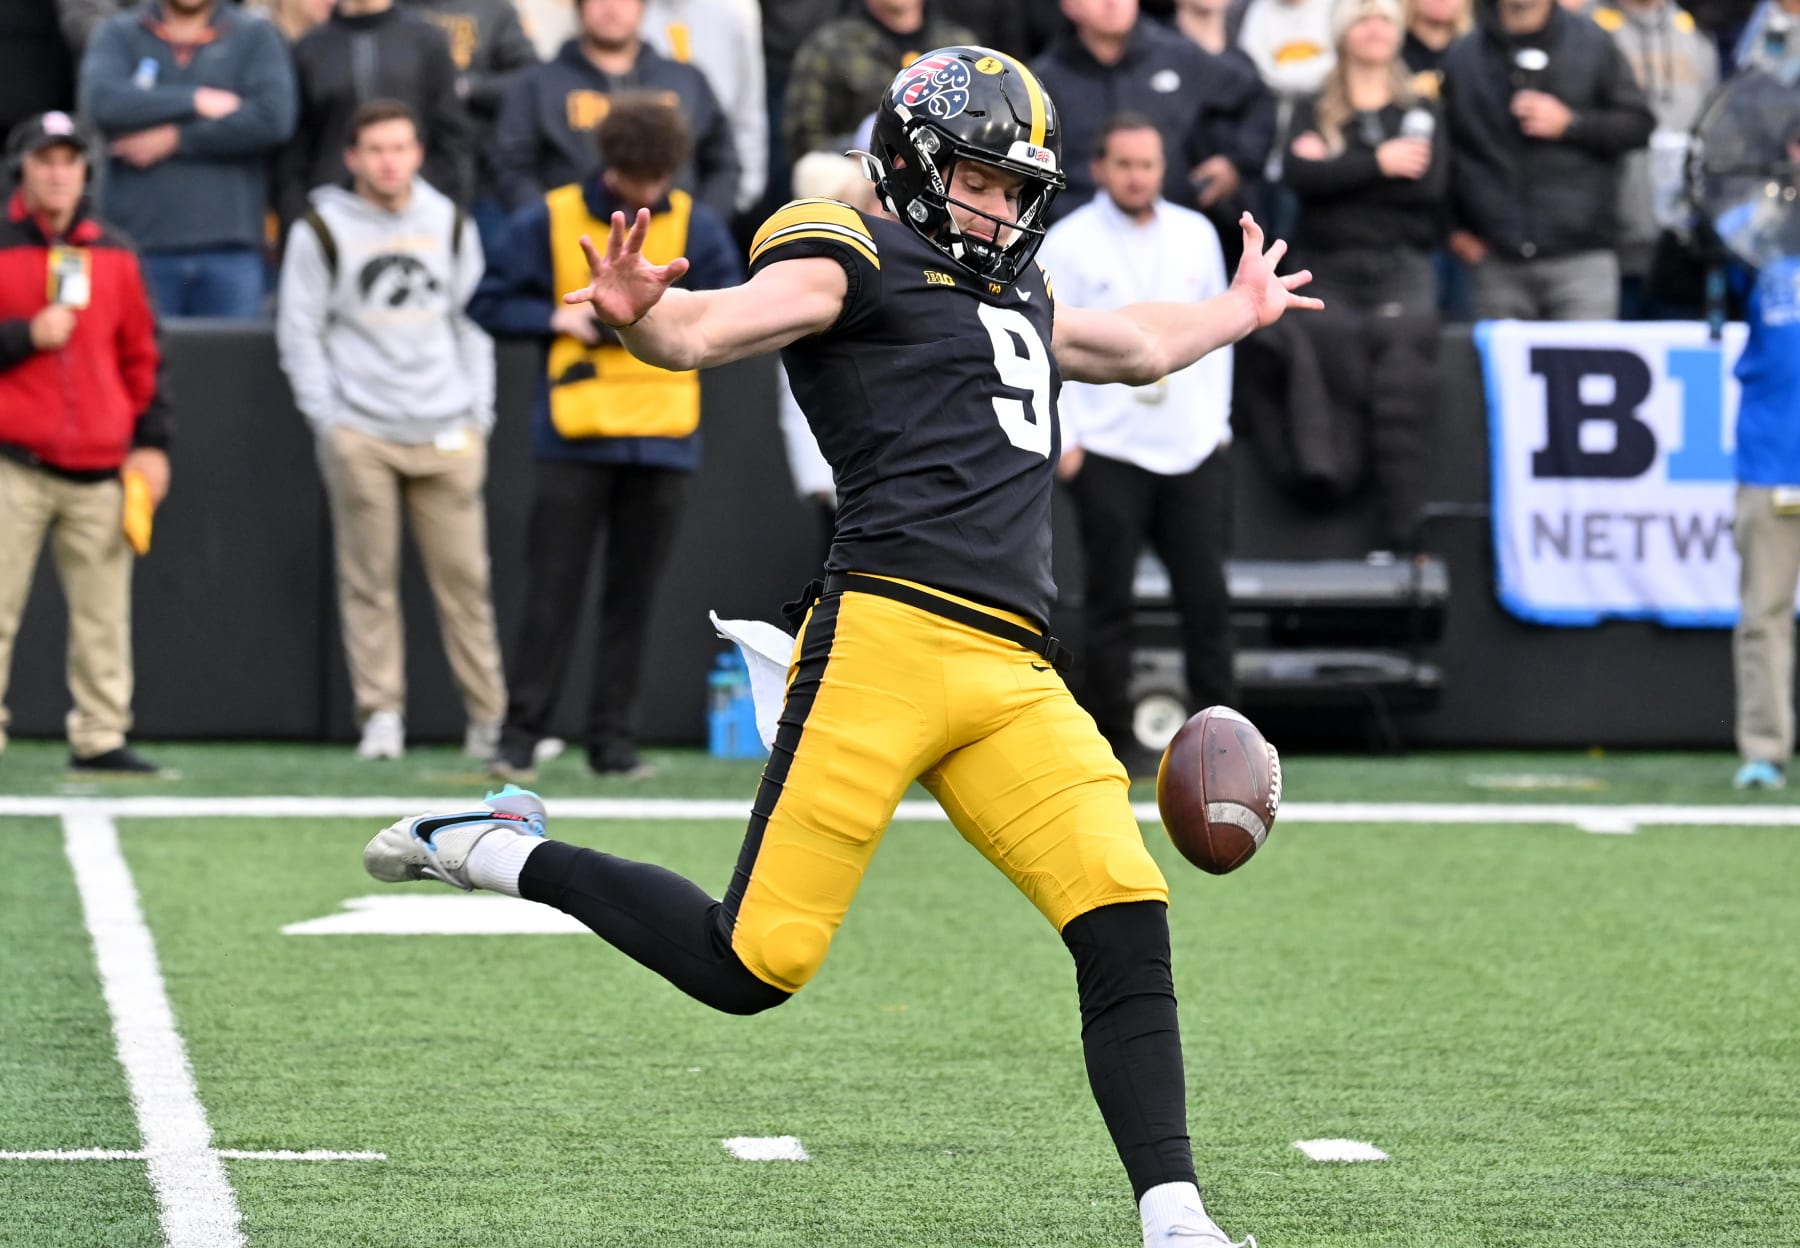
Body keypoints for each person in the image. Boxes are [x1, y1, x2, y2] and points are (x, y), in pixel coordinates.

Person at [367, 47, 1319, 1247]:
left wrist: (1238, 309)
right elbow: (715, 327)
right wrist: (645, 317)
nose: (1008, 207)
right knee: (750, 963)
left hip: (1016, 669)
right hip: (885, 637)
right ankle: (498, 848)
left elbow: (1130, 345)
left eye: (1023, 187)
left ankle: (1175, 1216)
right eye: (984, 178)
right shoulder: (850, 251)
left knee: (1124, 904)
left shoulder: (1015, 291)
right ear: (917, 165)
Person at [472, 94, 742, 780]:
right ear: (609, 165)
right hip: (576, 433)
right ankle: (520, 738)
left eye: (657, 181)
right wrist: (551, 319)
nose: (647, 192)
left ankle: (612, 744)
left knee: (634, 597)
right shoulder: (552, 217)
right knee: (550, 593)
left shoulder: (696, 225)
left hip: (663, 433)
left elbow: (732, 308)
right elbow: (488, 300)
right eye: (633, 181)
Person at [276, 99, 506, 763]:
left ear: (418, 153)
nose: (388, 161)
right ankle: (381, 717)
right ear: (352, 157)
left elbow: (474, 322)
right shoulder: (321, 229)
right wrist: (330, 419)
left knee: (466, 581)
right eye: (375, 149)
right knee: (367, 579)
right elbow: (300, 331)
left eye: (400, 147)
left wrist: (478, 416)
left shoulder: (452, 223)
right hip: (362, 433)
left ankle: (488, 721)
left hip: (448, 429)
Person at [1038, 114, 1237, 776]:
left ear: (1164, 168)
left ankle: (1225, 748)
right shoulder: (1068, 241)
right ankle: (1109, 744)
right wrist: (1068, 439)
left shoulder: (1195, 233)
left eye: (1148, 164)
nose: (1136, 176)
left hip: (1190, 442)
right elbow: (1044, 341)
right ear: (1099, 167)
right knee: (1109, 600)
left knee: (1205, 596)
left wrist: (1217, 421)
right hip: (1110, 447)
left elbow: (1218, 329)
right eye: (1124, 164)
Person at [0, 112, 170, 773]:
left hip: (100, 467)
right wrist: (20, 336)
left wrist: (151, 443)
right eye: (45, 160)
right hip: (14, 461)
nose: (57, 173)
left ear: (84, 172)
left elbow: (145, 357)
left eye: (69, 161)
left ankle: (100, 735)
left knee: (103, 618)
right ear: (25, 170)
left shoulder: (116, 252)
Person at [79, 0, 296, 318]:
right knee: (145, 365)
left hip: (231, 248)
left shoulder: (255, 35)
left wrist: (176, 139)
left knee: (230, 365)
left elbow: (272, 118)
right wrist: (197, 99)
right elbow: (103, 103)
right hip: (139, 247)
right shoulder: (119, 33)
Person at [1440, 0, 1655, 319]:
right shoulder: (1463, 55)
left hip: (1581, 259)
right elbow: (1445, 151)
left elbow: (1638, 125)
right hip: (1495, 261)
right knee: (1498, 370)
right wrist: (1452, 230)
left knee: (1585, 366)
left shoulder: (1593, 42)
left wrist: (1571, 124)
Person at [1032, 0, 1274, 270]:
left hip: (1176, 245)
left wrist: (1238, 163)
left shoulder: (1179, 55)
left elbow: (1257, 98)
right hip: (1076, 252)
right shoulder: (1041, 83)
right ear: (1068, 5)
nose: (1113, 4)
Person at [491, 0, 740, 219]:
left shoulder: (686, 80)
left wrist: (701, 226)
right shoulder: (537, 84)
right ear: (580, 6)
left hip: (675, 247)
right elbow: (512, 168)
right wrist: (547, 228)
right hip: (570, 248)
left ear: (642, 6)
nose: (612, 8)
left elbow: (723, 163)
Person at [1284, 0, 1448, 316]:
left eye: (1385, 21)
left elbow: (1428, 188)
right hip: (1324, 264)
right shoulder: (1313, 108)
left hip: (1401, 264)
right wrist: (1380, 164)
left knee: (1403, 349)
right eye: (1363, 21)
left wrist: (1334, 171)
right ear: (1342, 33)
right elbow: (1298, 177)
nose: (1375, 30)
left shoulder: (1421, 110)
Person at [1728, 124, 1800, 790]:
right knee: (1764, 613)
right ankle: (1765, 750)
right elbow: (1678, 280)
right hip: (1775, 451)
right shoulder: (1758, 236)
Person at [277, 0, 475, 231]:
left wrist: (447, 208)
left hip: (417, 217)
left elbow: (454, 137)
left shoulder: (427, 41)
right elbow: (293, 151)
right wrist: (299, 219)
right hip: (334, 220)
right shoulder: (309, 49)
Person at [1588, 0, 1719, 319]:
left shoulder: (1693, 33)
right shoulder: (1586, 31)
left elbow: (1717, 129)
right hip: (1608, 240)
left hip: (1684, 244)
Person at [781, 0, 977, 165]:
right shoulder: (829, 46)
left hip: (947, 170)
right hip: (862, 173)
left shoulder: (960, 48)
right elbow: (803, 139)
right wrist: (856, 147)